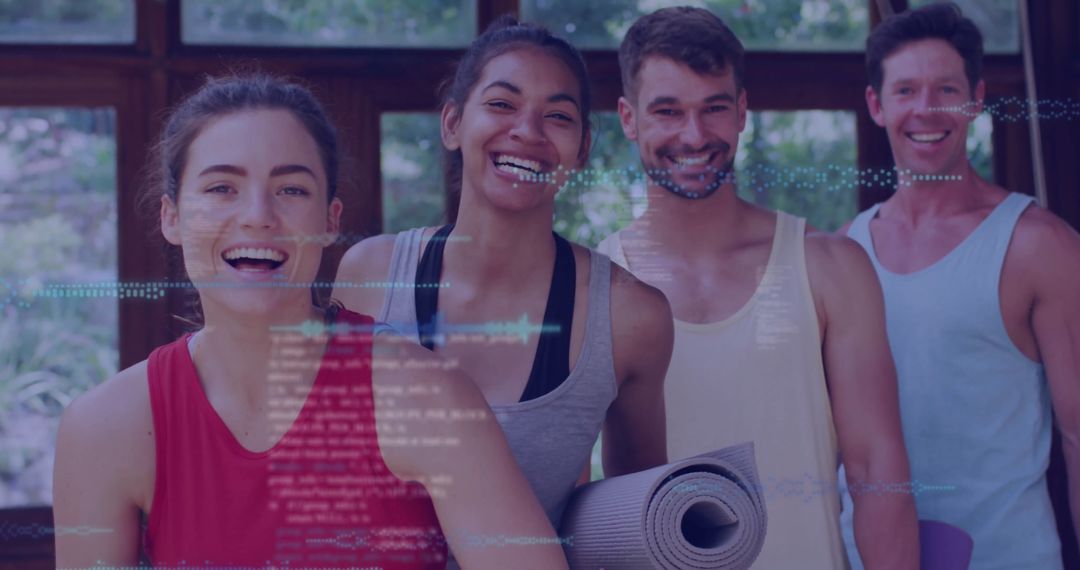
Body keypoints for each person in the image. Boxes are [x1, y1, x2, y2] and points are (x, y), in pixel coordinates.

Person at [52, 74, 568, 570]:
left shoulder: (426, 397)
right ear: (172, 217)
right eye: (221, 188)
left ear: (329, 220)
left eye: (291, 190)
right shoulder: (105, 427)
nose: (257, 215)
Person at [594, 7, 918, 568]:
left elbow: (877, 475)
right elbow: (569, 494)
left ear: (742, 111)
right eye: (668, 111)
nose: (693, 135)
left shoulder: (831, 266)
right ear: (629, 117)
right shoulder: (593, 283)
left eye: (713, 108)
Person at [333, 16, 673, 536]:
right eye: (501, 104)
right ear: (452, 124)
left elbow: (642, 523)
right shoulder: (371, 274)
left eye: (558, 115)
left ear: (581, 149)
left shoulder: (630, 317)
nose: (528, 131)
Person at [837, 4, 1080, 568]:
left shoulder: (1037, 245)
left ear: (975, 99)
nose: (926, 109)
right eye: (906, 91)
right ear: (877, 105)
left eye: (946, 89)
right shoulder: (846, 250)